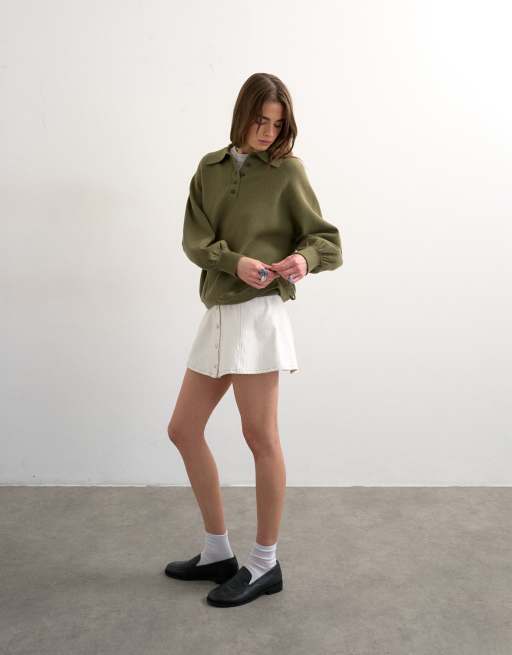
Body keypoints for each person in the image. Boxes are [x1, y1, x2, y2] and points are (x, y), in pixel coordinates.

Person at [165, 72, 343, 608]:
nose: (268, 132)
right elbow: (195, 240)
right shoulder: (209, 168)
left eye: (277, 124)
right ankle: (217, 552)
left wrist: (302, 261)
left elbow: (327, 242)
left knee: (260, 437)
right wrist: (233, 262)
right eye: (260, 120)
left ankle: (265, 563)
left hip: (259, 315)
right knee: (183, 429)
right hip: (220, 310)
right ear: (242, 115)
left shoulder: (287, 172)